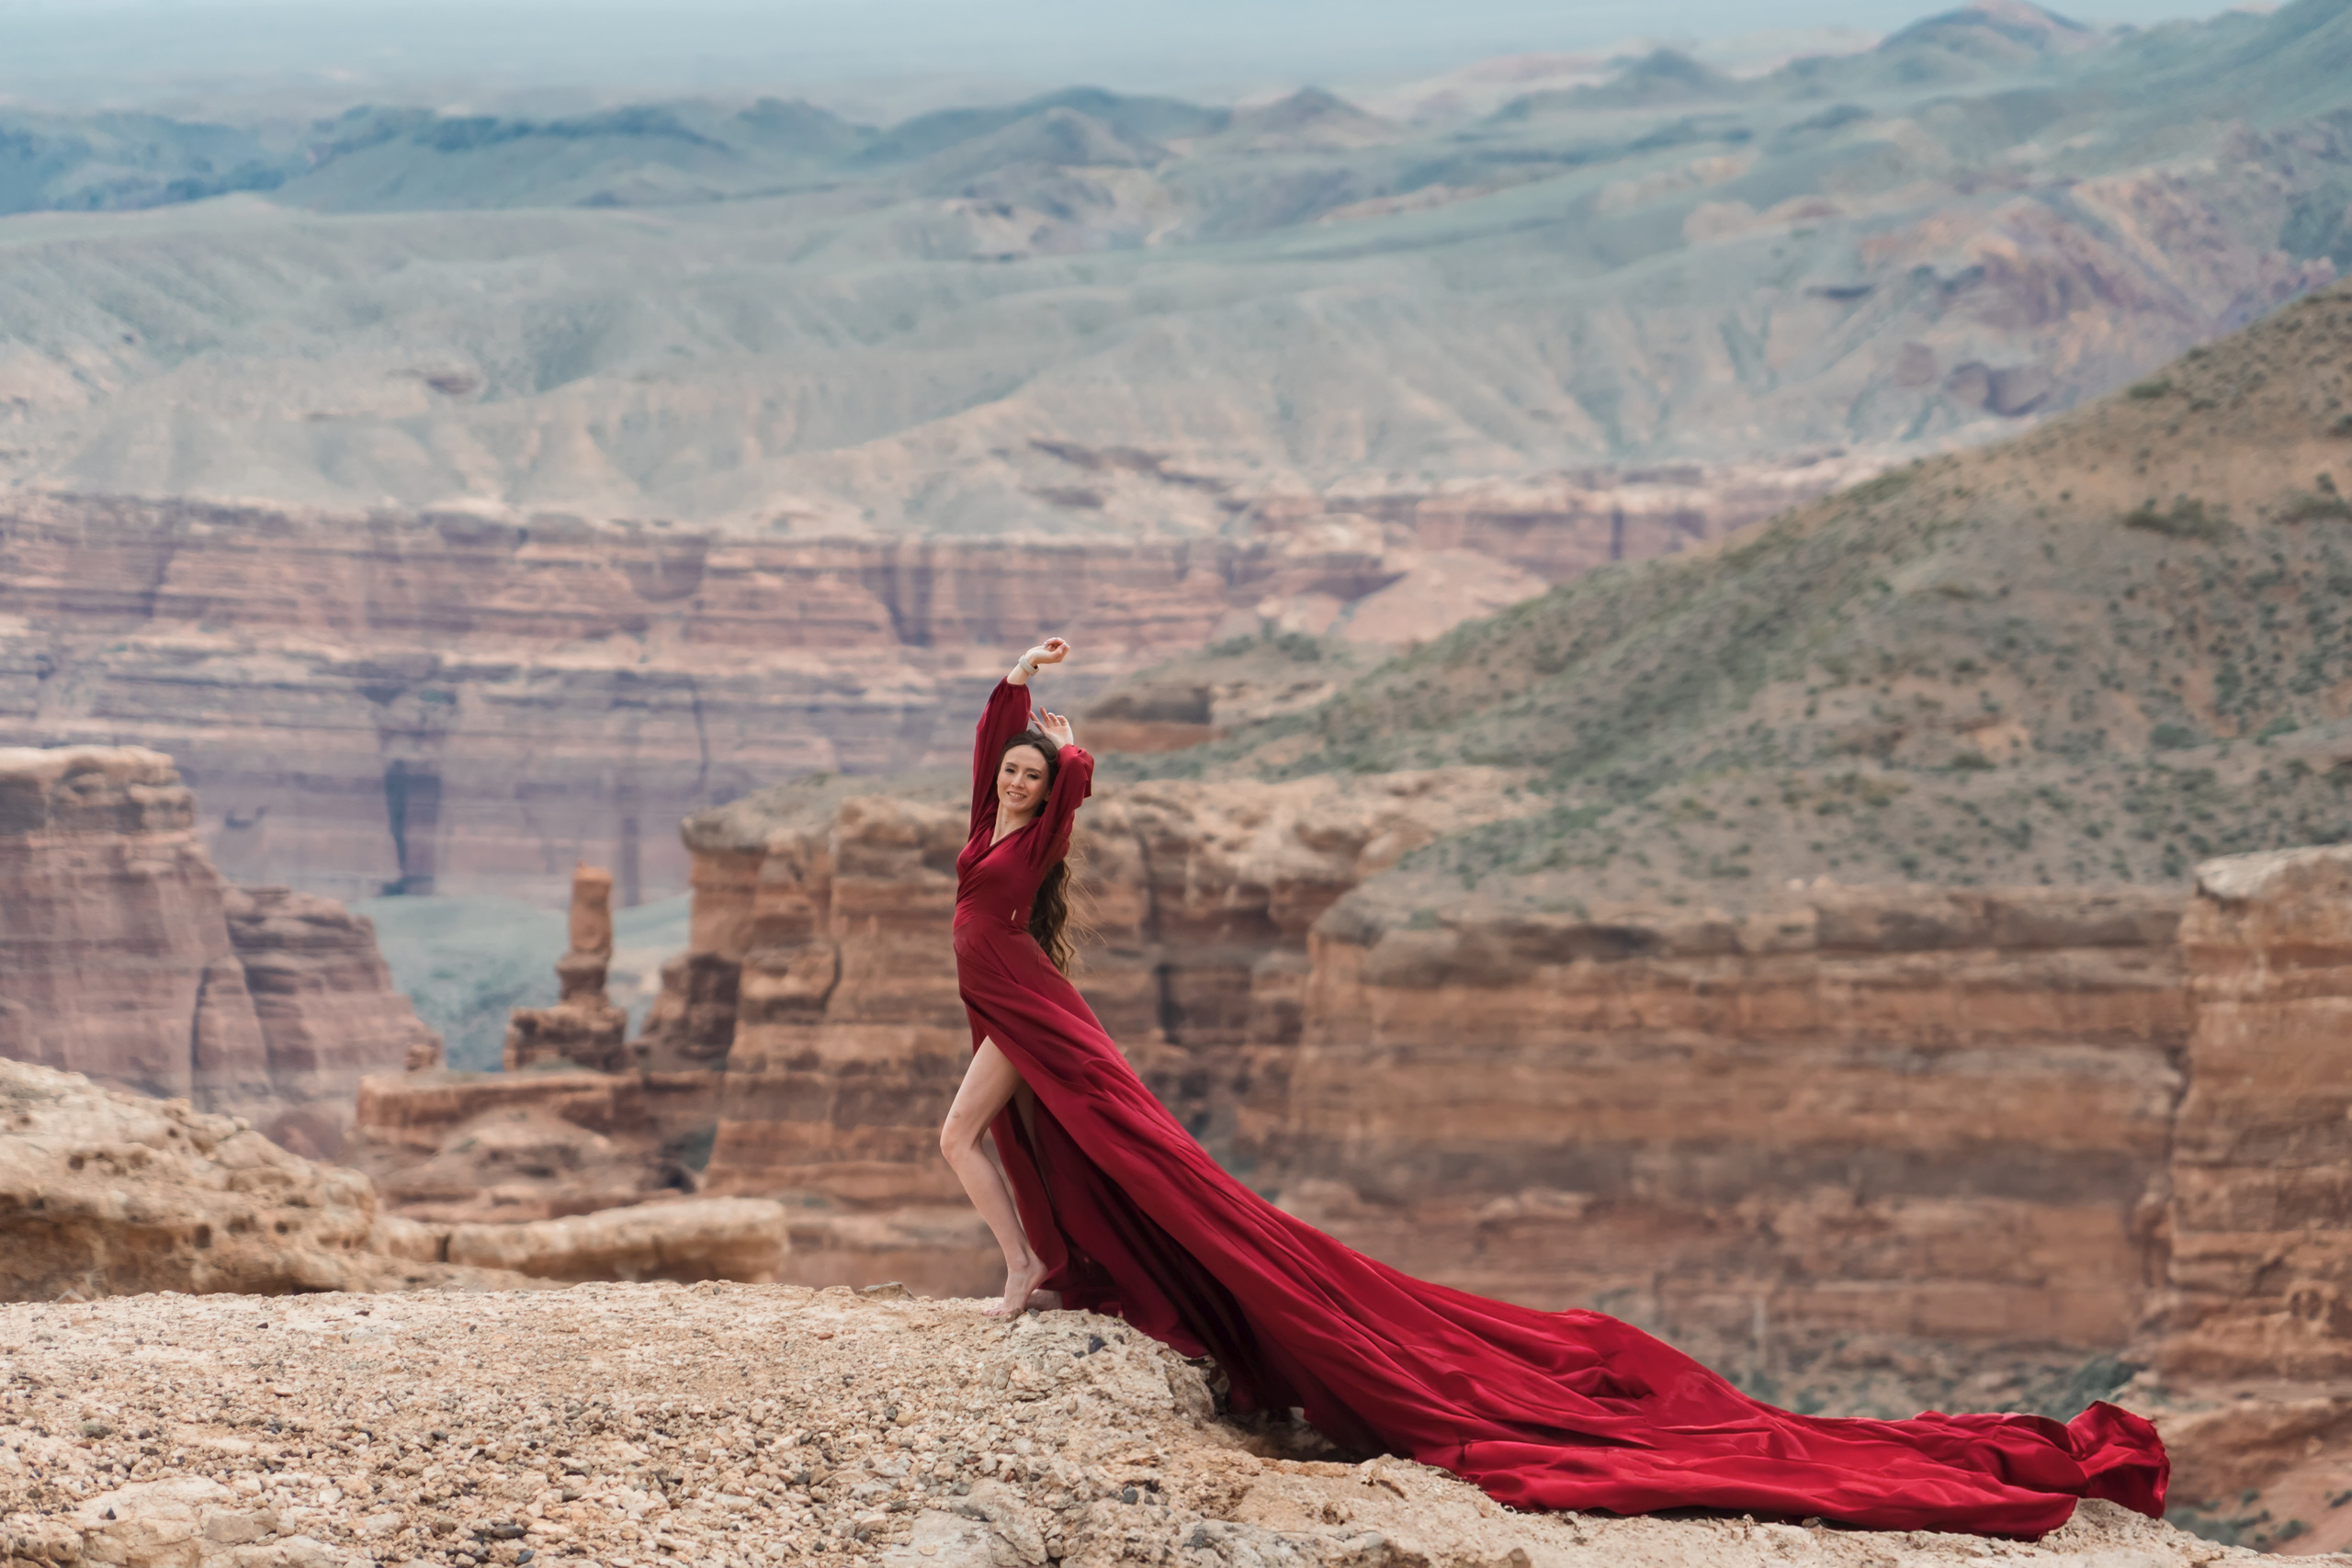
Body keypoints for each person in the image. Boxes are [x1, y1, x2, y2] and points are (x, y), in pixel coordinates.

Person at [935, 637, 2168, 1537]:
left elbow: (1071, 781)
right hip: (1011, 1006)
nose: (1020, 786)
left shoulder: (1035, 838)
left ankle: (1026, 1271)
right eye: (1017, 778)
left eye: (1033, 784)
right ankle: (1032, 1265)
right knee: (985, 1143)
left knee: (981, 1142)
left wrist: (1069, 745)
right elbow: (997, 746)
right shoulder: (988, 817)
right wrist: (1016, 686)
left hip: (1039, 1018)